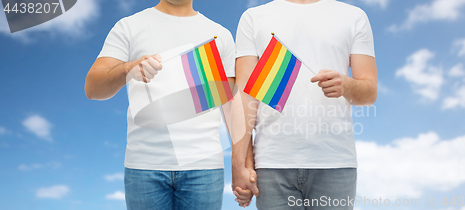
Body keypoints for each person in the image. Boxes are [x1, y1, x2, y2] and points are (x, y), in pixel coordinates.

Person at [84, 0, 236, 209]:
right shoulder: (129, 26)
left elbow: (231, 105)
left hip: (204, 167)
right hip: (144, 166)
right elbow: (92, 88)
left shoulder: (221, 35)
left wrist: (241, 164)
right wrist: (128, 69)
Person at [231, 0, 378, 209]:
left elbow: (369, 92)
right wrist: (239, 164)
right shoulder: (253, 18)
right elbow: (244, 96)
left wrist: (346, 85)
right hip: (272, 164)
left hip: (335, 163)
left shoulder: (354, 16)